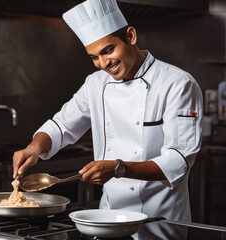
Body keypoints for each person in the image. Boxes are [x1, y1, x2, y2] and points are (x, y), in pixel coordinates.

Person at [13, 0, 203, 222]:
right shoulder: (96, 83)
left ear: (130, 36)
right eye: (94, 57)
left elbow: (178, 161)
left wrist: (119, 169)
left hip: (160, 220)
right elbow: (62, 125)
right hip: (109, 218)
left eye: (108, 50)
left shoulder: (178, 84)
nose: (103, 63)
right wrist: (34, 148)